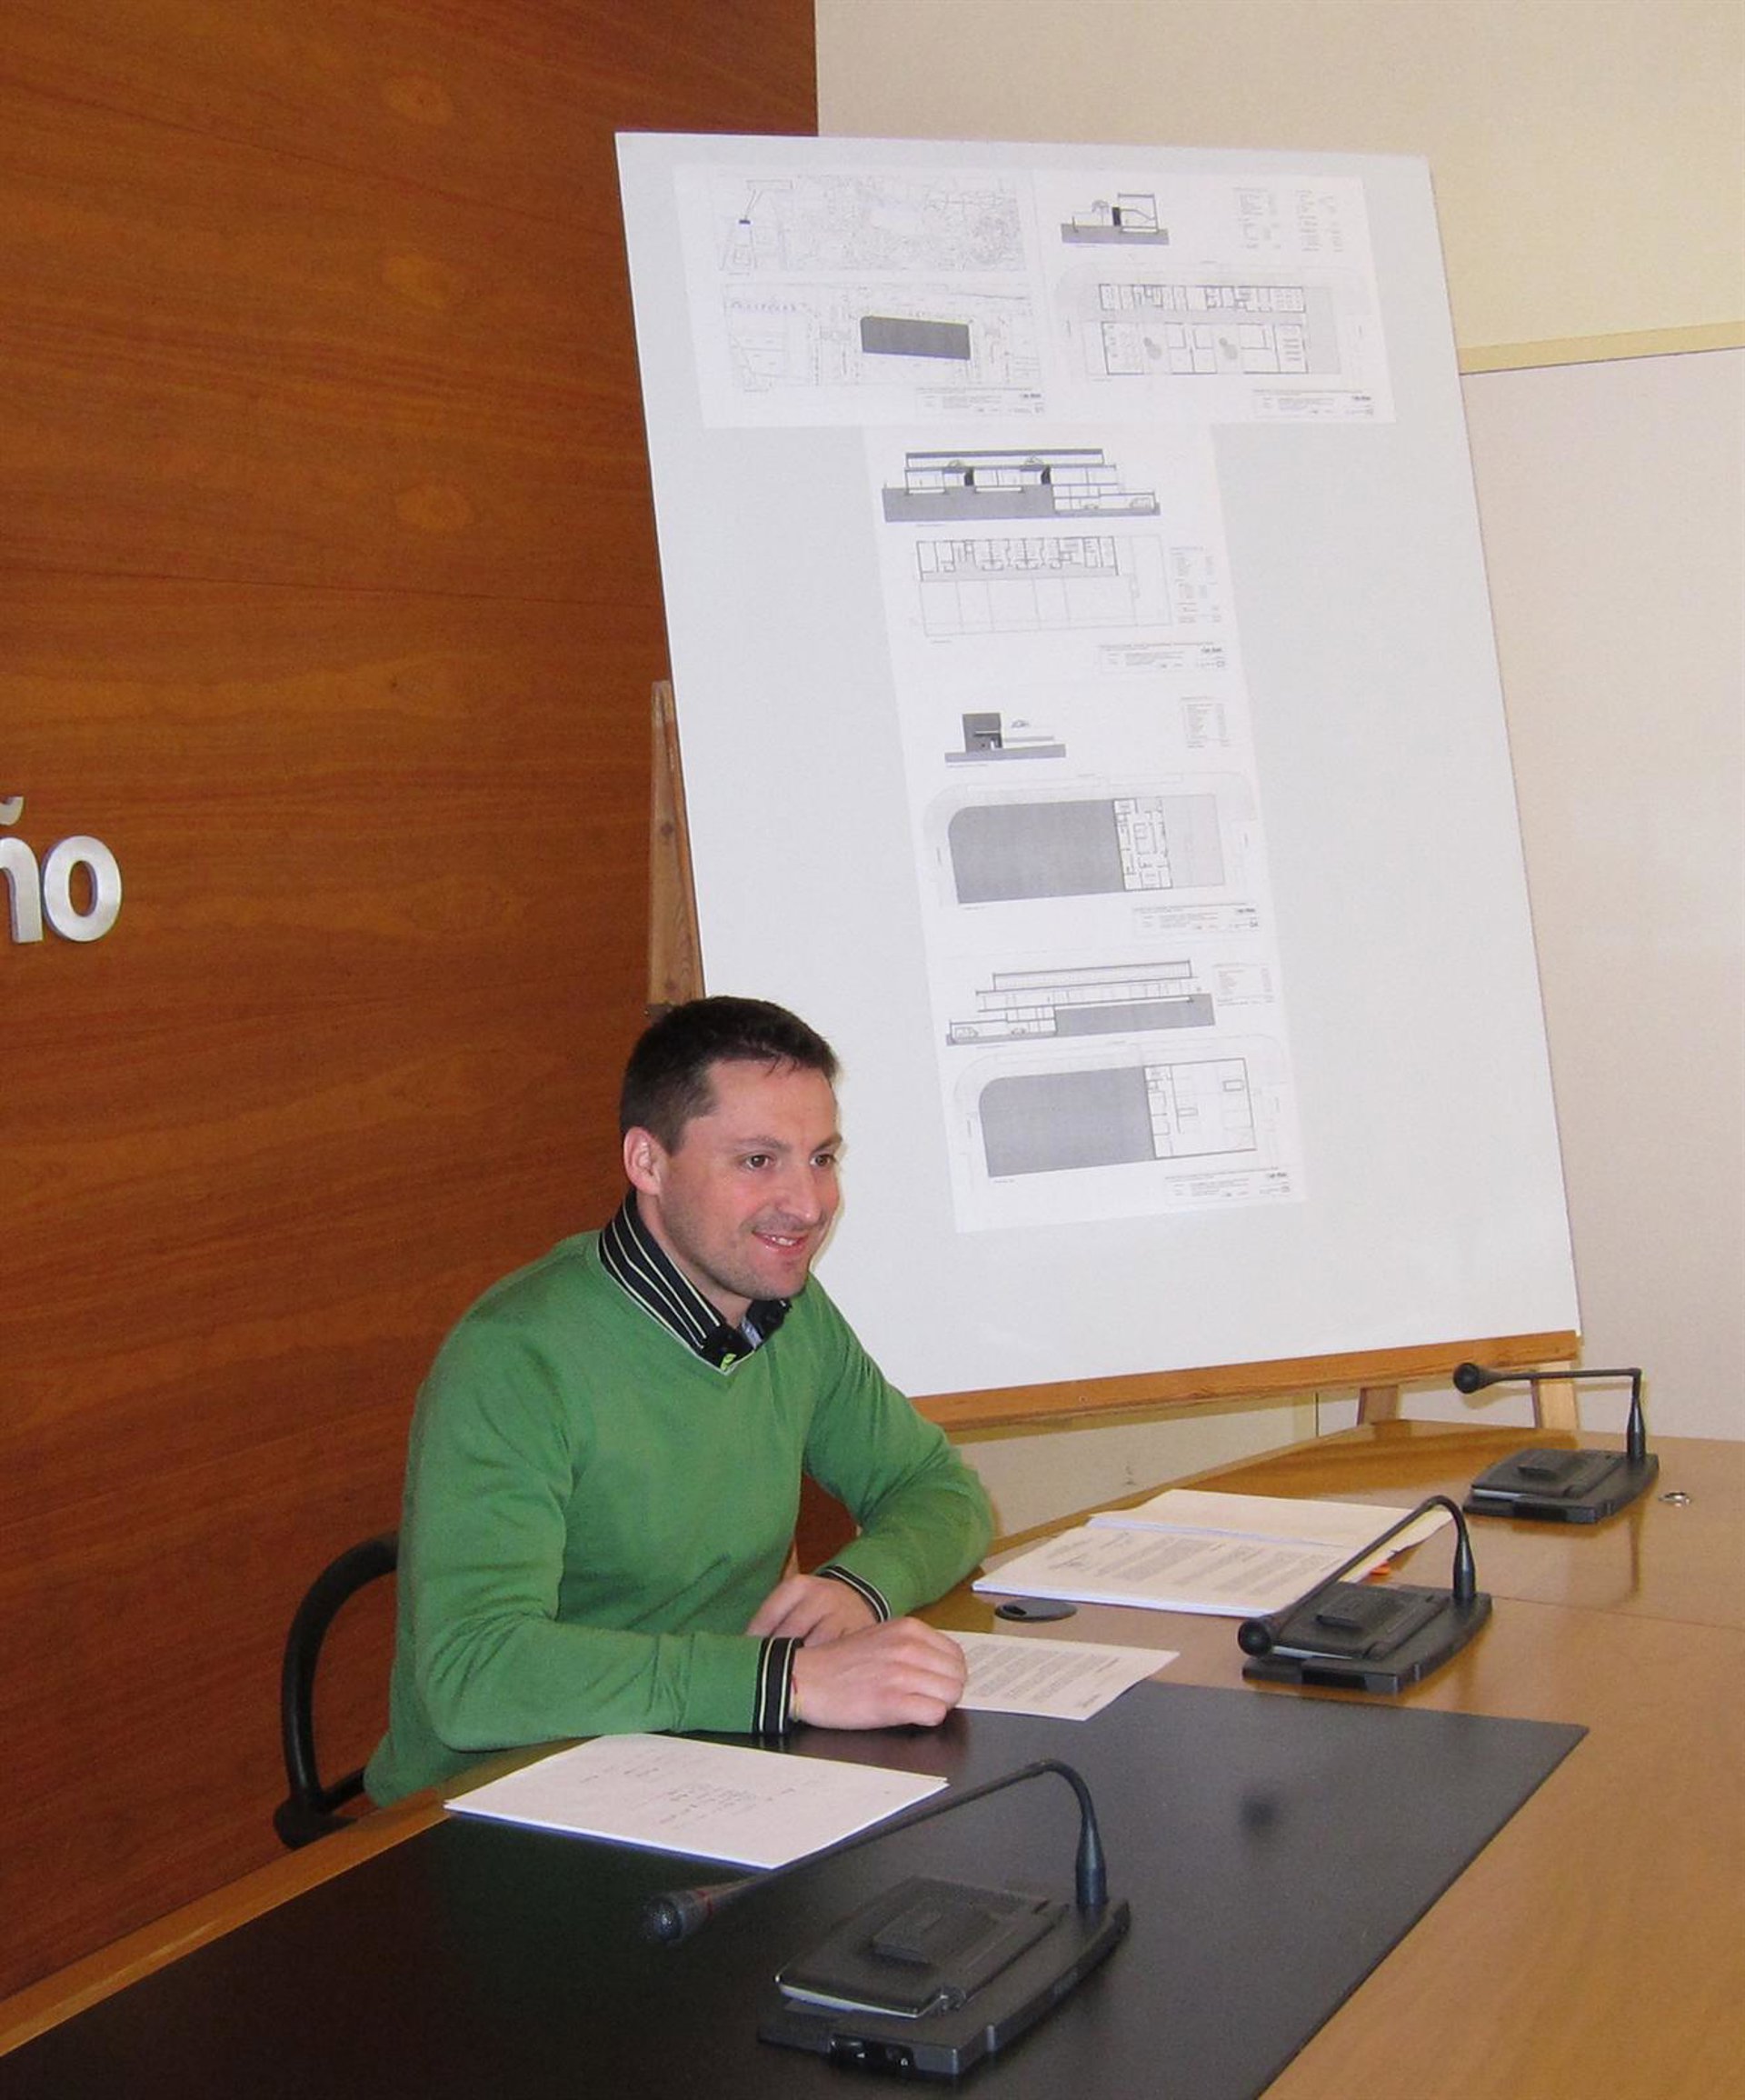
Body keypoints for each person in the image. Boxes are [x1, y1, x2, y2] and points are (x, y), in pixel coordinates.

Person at [365, 996, 992, 1804]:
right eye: (758, 1161)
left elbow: (940, 1492)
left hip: (705, 1764)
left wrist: (858, 1590)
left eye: (821, 1158)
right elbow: (476, 1674)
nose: (808, 1204)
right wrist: (784, 1682)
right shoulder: (515, 1356)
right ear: (648, 1163)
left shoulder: (790, 1312)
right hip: (496, 1800)